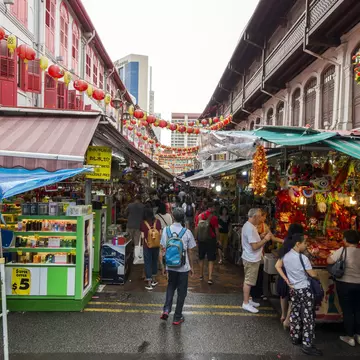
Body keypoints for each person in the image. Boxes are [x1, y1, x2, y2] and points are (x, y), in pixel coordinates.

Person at [275, 234, 322, 356]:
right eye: (305, 243)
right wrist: (317, 274)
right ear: (297, 244)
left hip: (294, 290)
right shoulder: (303, 258)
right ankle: (307, 345)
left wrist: (287, 280)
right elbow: (312, 274)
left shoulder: (285, 255)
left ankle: (295, 337)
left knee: (295, 314)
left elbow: (277, 266)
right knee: (308, 318)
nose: (306, 245)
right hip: (305, 290)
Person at [160, 208, 196, 325]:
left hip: (170, 265)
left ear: (173, 217)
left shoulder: (166, 230)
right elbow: (190, 251)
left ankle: (166, 310)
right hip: (183, 267)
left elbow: (163, 249)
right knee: (182, 292)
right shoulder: (187, 232)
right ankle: (177, 317)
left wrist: (163, 266)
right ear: (183, 218)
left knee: (170, 287)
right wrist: (191, 267)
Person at [327, 230, 360, 347]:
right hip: (359, 284)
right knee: (357, 309)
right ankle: (358, 335)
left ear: (345, 240)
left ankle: (350, 337)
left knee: (347, 310)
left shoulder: (342, 250)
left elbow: (329, 261)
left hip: (344, 284)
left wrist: (331, 255)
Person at [241, 208, 272, 313]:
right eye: (259, 217)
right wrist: (265, 239)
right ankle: (245, 303)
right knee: (249, 281)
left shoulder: (248, 226)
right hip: (251, 258)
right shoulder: (250, 228)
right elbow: (254, 246)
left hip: (249, 257)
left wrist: (260, 237)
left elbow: (253, 241)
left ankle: (248, 300)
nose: (260, 219)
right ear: (254, 217)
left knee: (248, 280)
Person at [276, 223, 305, 329]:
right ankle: (288, 319)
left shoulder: (286, 242)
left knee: (284, 294)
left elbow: (279, 261)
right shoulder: (298, 244)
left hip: (284, 272)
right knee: (293, 297)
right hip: (294, 273)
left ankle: (283, 315)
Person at [195, 201, 220, 285]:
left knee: (201, 258)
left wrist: (196, 238)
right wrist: (218, 239)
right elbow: (216, 230)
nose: (214, 209)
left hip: (201, 239)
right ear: (211, 208)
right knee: (211, 259)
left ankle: (201, 275)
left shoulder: (199, 216)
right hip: (211, 240)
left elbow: (196, 228)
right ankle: (210, 277)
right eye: (214, 208)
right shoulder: (214, 218)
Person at [140, 208, 162, 291]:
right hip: (156, 245)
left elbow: (142, 237)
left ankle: (149, 283)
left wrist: (144, 243)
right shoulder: (158, 222)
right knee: (154, 261)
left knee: (147, 262)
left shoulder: (143, 223)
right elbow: (160, 234)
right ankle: (154, 280)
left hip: (147, 246)